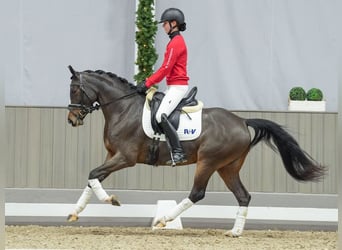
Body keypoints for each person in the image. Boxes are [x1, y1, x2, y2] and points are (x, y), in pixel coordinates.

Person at [137, 8, 189, 165]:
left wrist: (147, 83)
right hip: (173, 86)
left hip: (178, 87)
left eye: (165, 23)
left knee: (161, 115)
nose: (163, 26)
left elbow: (165, 68)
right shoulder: (173, 42)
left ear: (174, 24)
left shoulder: (176, 43)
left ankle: (178, 151)